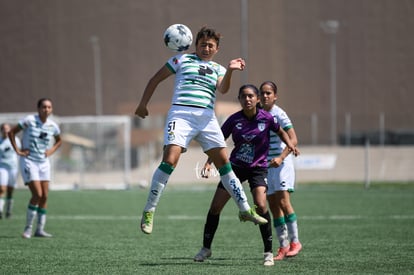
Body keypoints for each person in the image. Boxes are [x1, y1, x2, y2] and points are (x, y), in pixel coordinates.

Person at [135, 26, 268, 235]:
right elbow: (155, 79)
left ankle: (244, 209)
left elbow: (223, 89)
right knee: (170, 160)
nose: (206, 48)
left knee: (224, 163)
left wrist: (231, 69)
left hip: (206, 118)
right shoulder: (181, 60)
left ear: (217, 49)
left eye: (211, 46)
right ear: (195, 45)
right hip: (181, 114)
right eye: (203, 44)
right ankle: (149, 210)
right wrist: (143, 104)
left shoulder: (218, 68)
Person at [193, 84, 299, 266]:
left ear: (257, 99)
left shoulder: (267, 118)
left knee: (260, 205)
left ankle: (267, 252)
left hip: (258, 169)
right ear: (240, 100)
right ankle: (206, 248)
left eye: (251, 96)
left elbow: (281, 132)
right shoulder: (234, 120)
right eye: (243, 96)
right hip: (235, 168)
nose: (247, 99)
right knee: (215, 206)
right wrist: (209, 162)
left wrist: (289, 147)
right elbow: (217, 141)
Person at [259, 81, 302, 260]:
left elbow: (293, 139)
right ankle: (283, 246)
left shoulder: (279, 114)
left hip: (282, 164)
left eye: (269, 93)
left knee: (284, 202)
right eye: (263, 93)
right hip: (266, 166)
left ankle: (295, 242)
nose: (265, 96)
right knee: (274, 206)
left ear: (275, 96)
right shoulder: (257, 114)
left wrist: (281, 157)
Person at [8, 98, 62, 239]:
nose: (46, 109)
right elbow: (11, 132)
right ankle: (28, 229)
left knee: (44, 196)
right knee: (37, 194)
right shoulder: (29, 120)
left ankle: (40, 230)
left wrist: (50, 152)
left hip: (43, 163)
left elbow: (59, 141)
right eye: (44, 107)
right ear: (38, 109)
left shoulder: (52, 126)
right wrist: (18, 151)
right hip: (29, 161)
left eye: (49, 107)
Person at [0, 123, 21, 219]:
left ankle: (8, 210)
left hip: (13, 168)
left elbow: (20, 152)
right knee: (2, 189)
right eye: (4, 129)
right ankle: (0, 210)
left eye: (7, 129)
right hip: (2, 167)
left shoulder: (15, 140)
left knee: (10, 191)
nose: (5, 130)